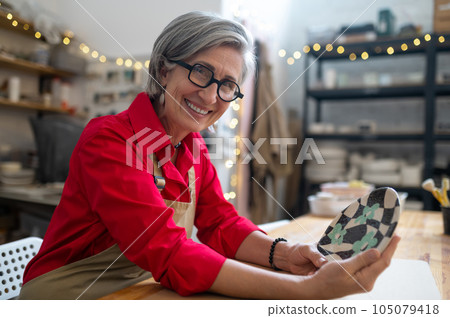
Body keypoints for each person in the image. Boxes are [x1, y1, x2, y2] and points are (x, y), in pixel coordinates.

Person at [19, 11, 400, 300]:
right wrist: (304, 291)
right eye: (201, 71)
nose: (211, 96)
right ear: (163, 69)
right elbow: (167, 251)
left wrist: (287, 256)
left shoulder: (194, 148)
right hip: (67, 296)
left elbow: (221, 224)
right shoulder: (111, 140)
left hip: (137, 290)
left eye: (228, 85)